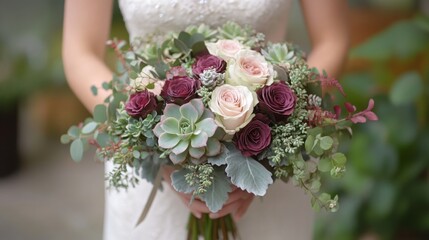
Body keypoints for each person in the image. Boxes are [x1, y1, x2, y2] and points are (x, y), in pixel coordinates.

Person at [62, 0, 349, 239]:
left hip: (271, 158)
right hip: (151, 174)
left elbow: (333, 39)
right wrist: (152, 145)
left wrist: (272, 138)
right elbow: (80, 51)